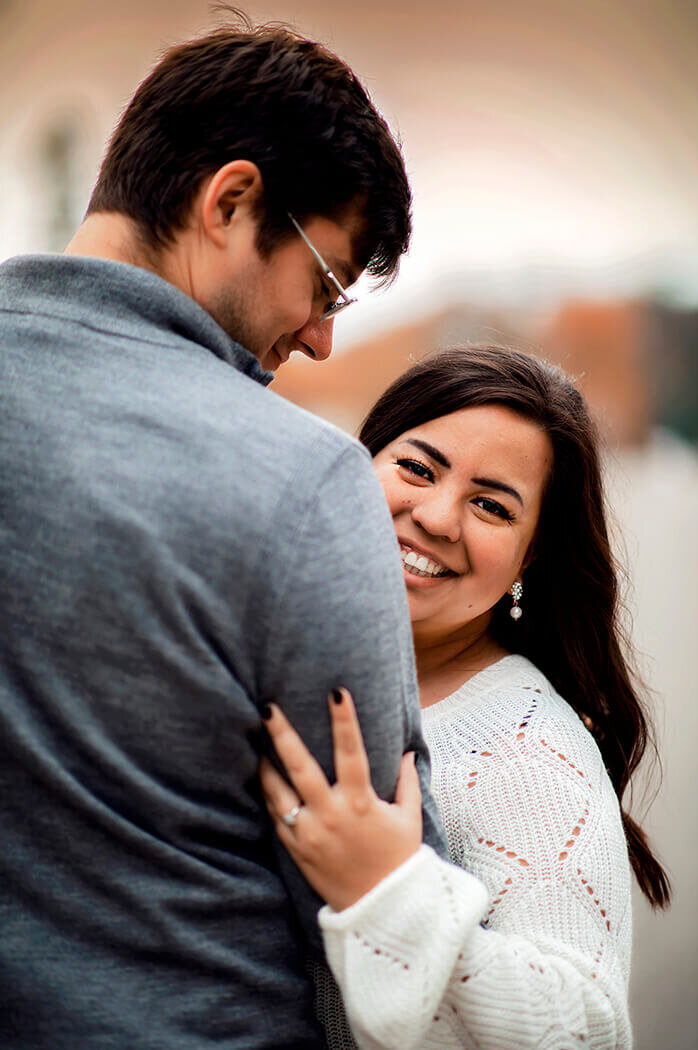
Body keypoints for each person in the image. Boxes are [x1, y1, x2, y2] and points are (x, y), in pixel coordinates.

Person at [0, 17, 447, 1049]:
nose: (323, 336)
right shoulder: (302, 478)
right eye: (326, 282)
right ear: (231, 201)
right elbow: (378, 901)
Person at [261, 346, 671, 1050]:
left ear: (530, 555)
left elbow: (584, 1029)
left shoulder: (528, 753)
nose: (439, 517)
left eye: (491, 504)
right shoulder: (279, 636)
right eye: (417, 468)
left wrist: (383, 891)